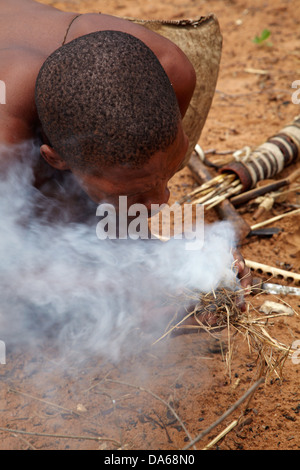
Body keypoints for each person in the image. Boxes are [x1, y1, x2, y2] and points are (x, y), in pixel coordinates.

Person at [0, 0, 251, 301]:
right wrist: (131, 298)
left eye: (168, 175)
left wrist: (196, 264)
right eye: (132, 191)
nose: (163, 201)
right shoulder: (7, 143)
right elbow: (13, 269)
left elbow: (124, 214)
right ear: (55, 159)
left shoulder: (173, 71)